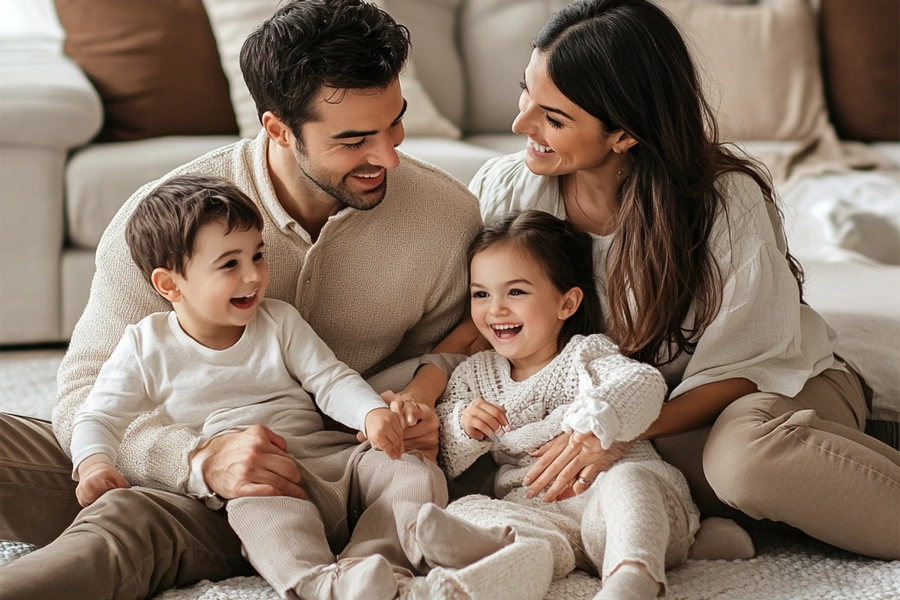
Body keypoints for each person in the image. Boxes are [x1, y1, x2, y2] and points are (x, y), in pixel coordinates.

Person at [0, 1, 487, 598]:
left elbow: (457, 355)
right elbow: (84, 393)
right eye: (354, 139)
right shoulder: (167, 221)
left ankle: (356, 573)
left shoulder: (446, 217)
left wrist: (421, 412)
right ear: (277, 128)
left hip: (328, 476)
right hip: (190, 452)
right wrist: (198, 461)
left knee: (120, 526)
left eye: (395, 123)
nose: (387, 156)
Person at [463, 0, 900, 561]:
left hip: (761, 395)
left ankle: (825, 457)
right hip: (647, 428)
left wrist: (615, 432)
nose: (520, 123)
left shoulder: (722, 202)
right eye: (525, 91)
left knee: (741, 463)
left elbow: (751, 366)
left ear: (623, 134)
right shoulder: (508, 190)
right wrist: (422, 387)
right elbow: (476, 317)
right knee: (550, 469)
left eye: (554, 117)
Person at [70, 174, 448, 600]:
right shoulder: (146, 346)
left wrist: (371, 414)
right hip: (262, 482)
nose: (253, 276)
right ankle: (318, 583)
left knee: (408, 466)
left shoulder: (278, 320)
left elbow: (329, 378)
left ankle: (383, 561)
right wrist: (93, 465)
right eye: (230, 264)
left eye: (257, 255)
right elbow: (97, 415)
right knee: (260, 512)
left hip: (334, 462)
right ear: (169, 284)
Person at [425, 210, 700, 600]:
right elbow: (446, 456)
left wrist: (597, 421)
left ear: (567, 303)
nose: (495, 309)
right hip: (543, 516)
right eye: (480, 294)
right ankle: (479, 578)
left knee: (629, 479)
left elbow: (642, 383)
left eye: (515, 292)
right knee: (470, 507)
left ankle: (634, 579)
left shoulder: (585, 355)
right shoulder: (474, 373)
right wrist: (463, 426)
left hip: (617, 510)